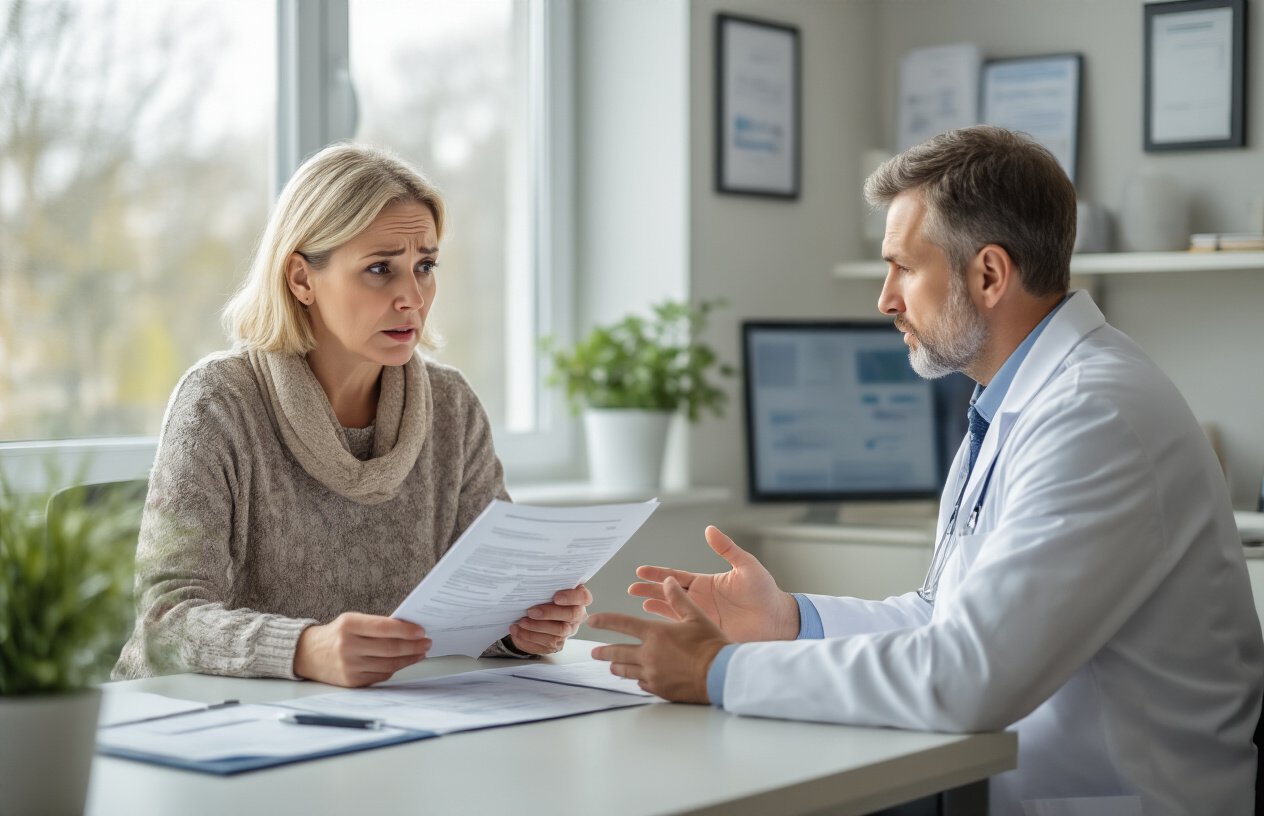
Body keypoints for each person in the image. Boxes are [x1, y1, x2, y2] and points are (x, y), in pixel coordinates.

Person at [590, 126, 1263, 815]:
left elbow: (968, 675)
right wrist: (791, 620)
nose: (884, 299)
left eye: (903, 268)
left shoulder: (1093, 417)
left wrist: (718, 671)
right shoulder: (1012, 402)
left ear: (990, 274)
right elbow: (940, 617)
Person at [114, 143, 590, 687]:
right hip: (208, 723)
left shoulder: (452, 406)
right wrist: (304, 649)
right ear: (301, 279)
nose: (412, 296)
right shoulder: (218, 401)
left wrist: (519, 628)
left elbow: (489, 594)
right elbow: (165, 620)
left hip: (389, 722)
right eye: (380, 269)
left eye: (425, 266)